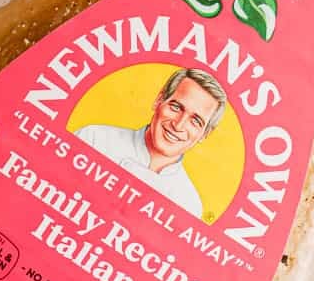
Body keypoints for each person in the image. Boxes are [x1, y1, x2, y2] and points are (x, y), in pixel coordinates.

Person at [72, 68, 227, 220]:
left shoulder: (188, 204)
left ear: (204, 134)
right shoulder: (93, 139)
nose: (178, 125)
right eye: (176, 107)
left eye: (195, 121)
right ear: (158, 101)